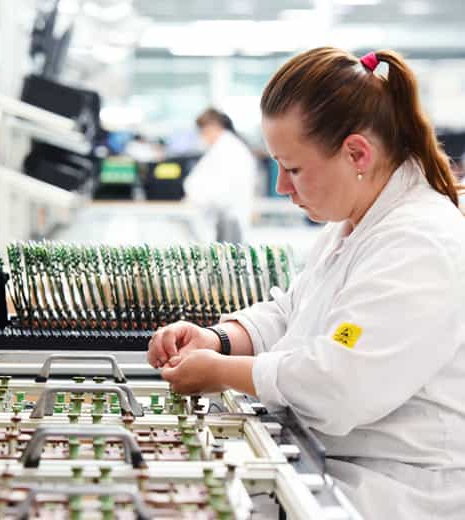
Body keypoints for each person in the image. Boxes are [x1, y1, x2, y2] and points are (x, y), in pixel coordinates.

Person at [148, 47, 465, 519]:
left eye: (293, 168)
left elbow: (339, 382)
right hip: (331, 466)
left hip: (392, 492)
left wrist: (220, 371)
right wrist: (218, 337)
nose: (281, 187)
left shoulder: (419, 244)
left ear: (357, 153)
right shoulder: (355, 226)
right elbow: (291, 312)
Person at [183, 108, 257, 242]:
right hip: (221, 219)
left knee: (227, 259)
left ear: (213, 127)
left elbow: (221, 191)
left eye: (203, 131)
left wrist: (196, 196)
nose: (202, 136)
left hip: (227, 220)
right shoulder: (223, 148)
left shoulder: (229, 150)